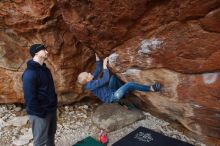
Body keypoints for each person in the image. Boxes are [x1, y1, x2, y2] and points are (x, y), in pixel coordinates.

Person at [77, 53, 161, 103]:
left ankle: (125, 92)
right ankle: (150, 88)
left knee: (113, 77)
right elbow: (105, 79)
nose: (89, 73)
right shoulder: (92, 84)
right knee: (129, 84)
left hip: (111, 90)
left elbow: (98, 69)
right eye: (87, 74)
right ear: (87, 80)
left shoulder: (90, 79)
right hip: (113, 97)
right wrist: (105, 65)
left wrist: (97, 57)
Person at [22, 44, 57, 146]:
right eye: (44, 50)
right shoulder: (30, 73)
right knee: (40, 142)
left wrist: (53, 105)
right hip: (39, 114)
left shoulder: (46, 70)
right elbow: (29, 98)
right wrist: (40, 113)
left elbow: (50, 90)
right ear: (36, 52)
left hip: (51, 110)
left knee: (51, 136)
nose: (47, 52)